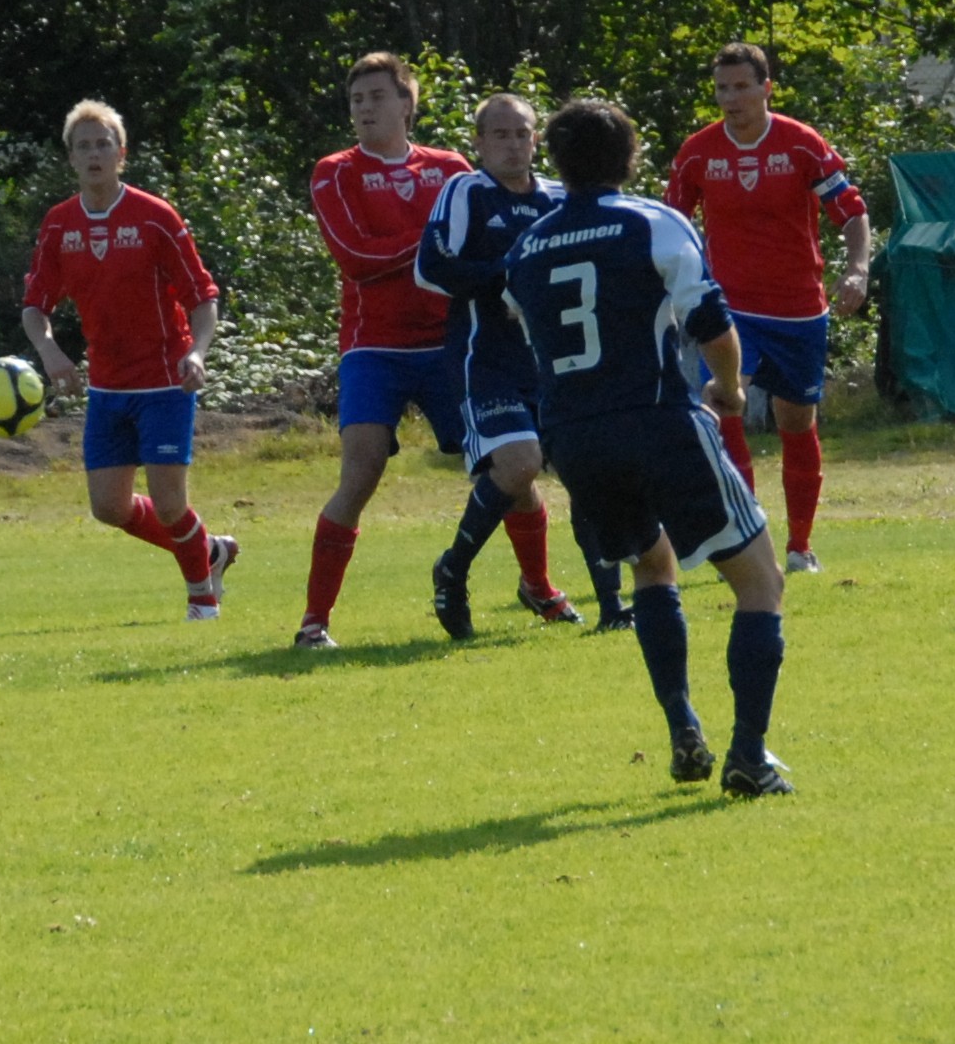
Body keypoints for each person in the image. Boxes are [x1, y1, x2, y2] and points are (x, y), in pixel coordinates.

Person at [511, 98, 794, 797]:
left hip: (575, 437)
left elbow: (536, 340)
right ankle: (749, 757)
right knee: (759, 581)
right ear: (630, 158)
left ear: (556, 162)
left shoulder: (524, 250)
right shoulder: (652, 222)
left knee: (651, 565)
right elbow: (710, 322)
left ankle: (681, 725)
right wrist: (728, 388)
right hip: (658, 419)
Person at [299, 52, 568, 648]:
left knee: (516, 469)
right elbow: (355, 257)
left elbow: (483, 239)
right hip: (375, 347)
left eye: (376, 96)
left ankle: (538, 585)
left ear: (407, 104)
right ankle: (314, 621)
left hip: (456, 347)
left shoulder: (450, 169)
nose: (364, 108)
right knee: (362, 468)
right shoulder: (335, 171)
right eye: (356, 100)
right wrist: (434, 245)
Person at [417, 92, 628, 635]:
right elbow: (431, 268)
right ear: (479, 143)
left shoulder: (563, 198)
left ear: (538, 141)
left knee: (589, 473)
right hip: (487, 360)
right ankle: (454, 571)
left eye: (522, 134)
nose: (512, 145)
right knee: (519, 463)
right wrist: (509, 281)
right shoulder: (466, 191)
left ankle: (612, 608)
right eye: (500, 135)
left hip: (559, 364)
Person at [19, 100, 240, 619]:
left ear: (121, 154)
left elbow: (203, 297)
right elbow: (35, 307)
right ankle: (211, 550)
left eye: (103, 144)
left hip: (166, 382)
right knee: (109, 508)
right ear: (70, 158)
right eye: (83, 146)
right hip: (108, 388)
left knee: (168, 503)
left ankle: (202, 601)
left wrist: (197, 352)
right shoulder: (59, 225)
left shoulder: (154, 217)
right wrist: (50, 350)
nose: (94, 154)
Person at [662, 42, 870, 574]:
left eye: (741, 87)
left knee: (796, 421)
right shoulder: (698, 152)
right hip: (729, 307)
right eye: (722, 89)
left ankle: (801, 545)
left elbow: (850, 211)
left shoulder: (802, 144)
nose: (730, 98)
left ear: (766, 88)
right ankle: (749, 535)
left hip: (799, 308)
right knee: (727, 402)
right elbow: (671, 227)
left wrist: (857, 268)